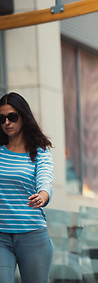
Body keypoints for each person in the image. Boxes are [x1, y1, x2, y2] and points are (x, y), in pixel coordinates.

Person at [0, 92, 54, 283]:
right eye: (2, 118)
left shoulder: (39, 152)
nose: (7, 122)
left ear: (23, 116)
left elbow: (45, 180)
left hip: (33, 236)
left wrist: (42, 195)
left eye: (12, 117)